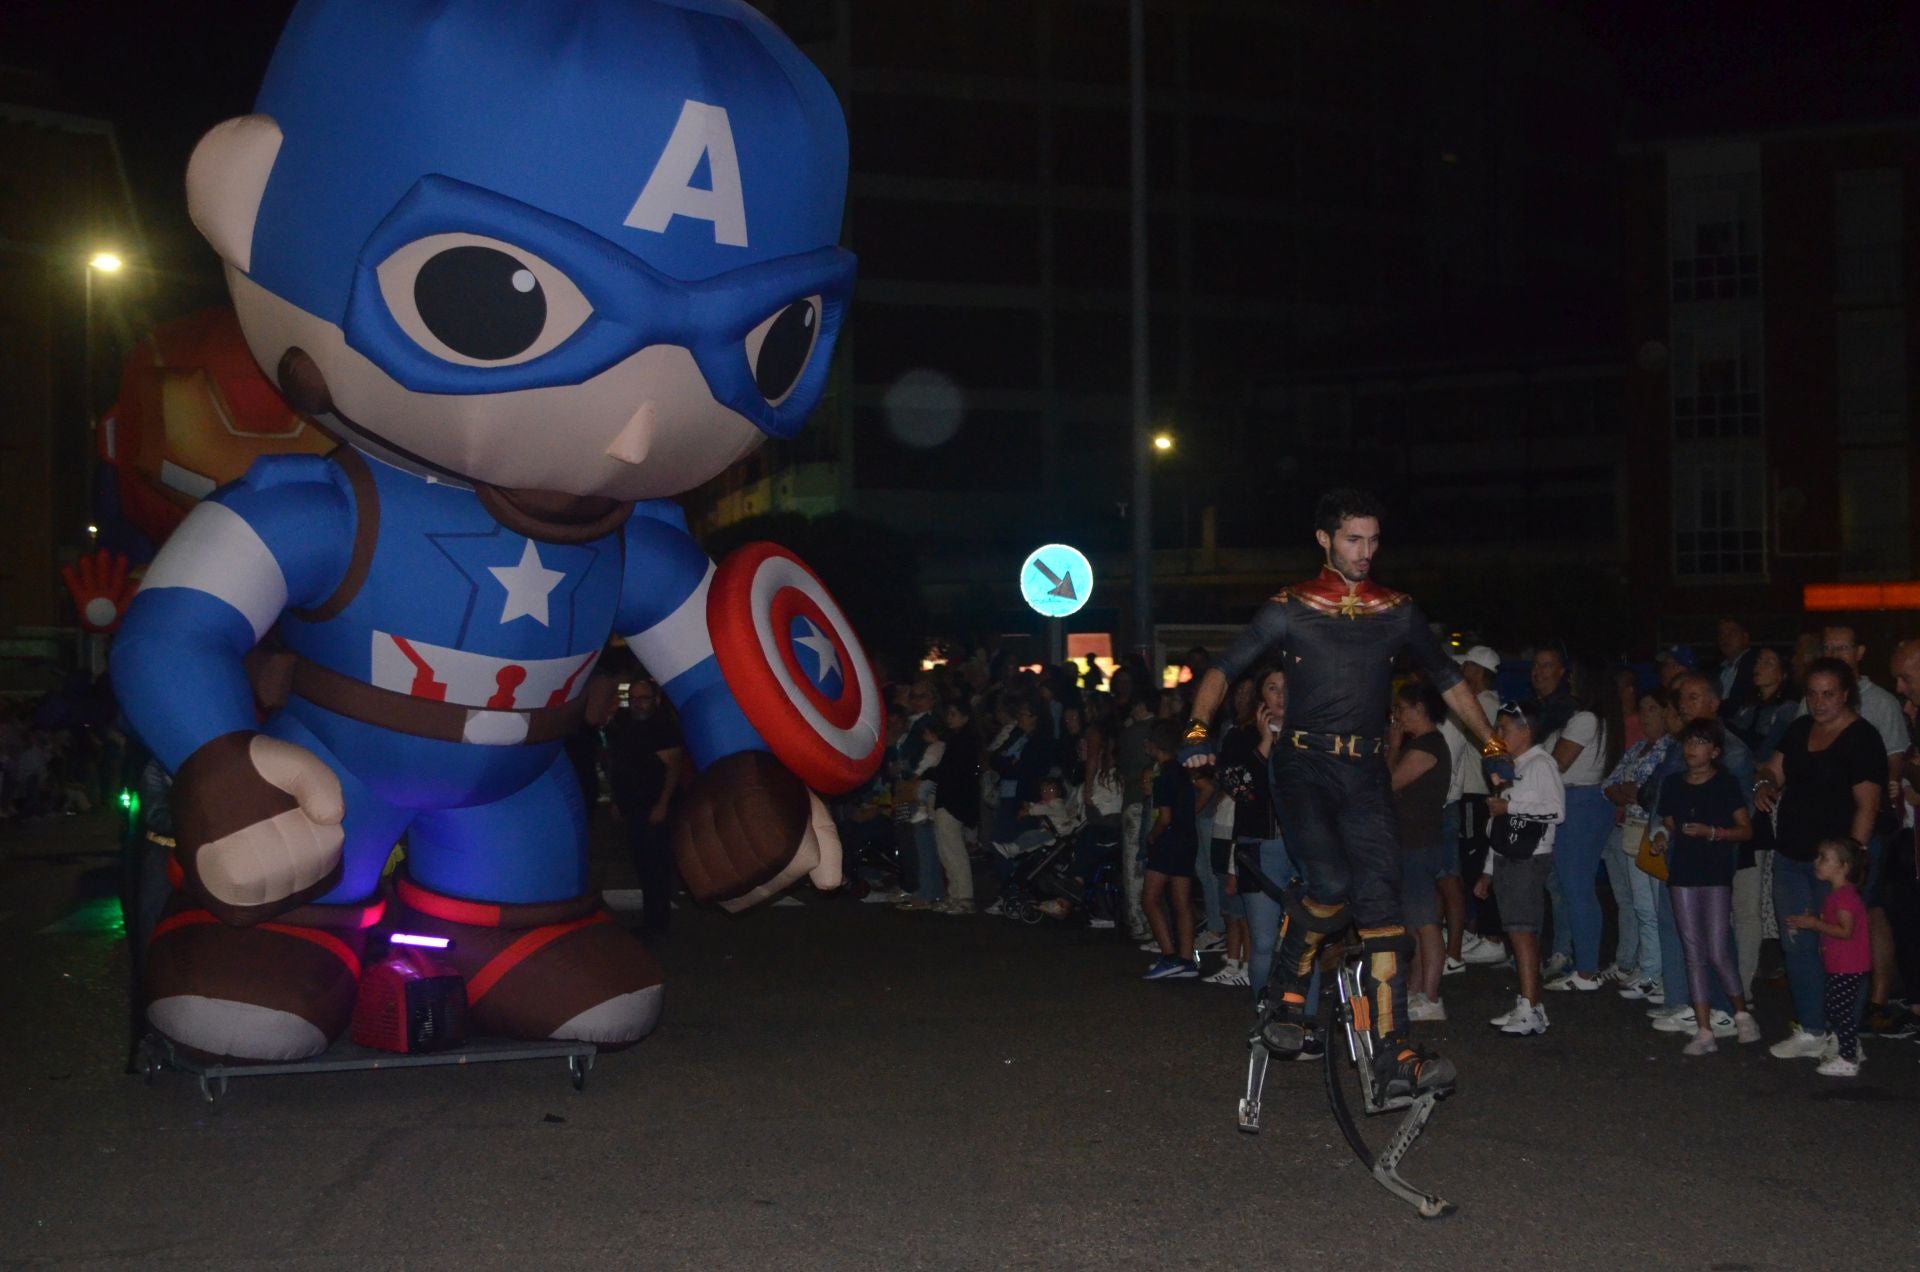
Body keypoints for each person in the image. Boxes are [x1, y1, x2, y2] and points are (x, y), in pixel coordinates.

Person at [1184, 487, 1500, 1099]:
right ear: (1325, 540)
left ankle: (1392, 1055)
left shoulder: (1398, 610)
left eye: (1374, 540)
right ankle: (1286, 1002)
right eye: (1354, 539)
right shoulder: (1289, 607)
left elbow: (1449, 679)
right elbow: (1225, 669)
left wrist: (1493, 747)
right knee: (1328, 882)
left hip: (1364, 773)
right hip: (1302, 765)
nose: (1366, 552)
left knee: (1382, 911)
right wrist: (1197, 728)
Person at [1754, 659, 1884, 1060]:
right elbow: (1773, 769)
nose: (1819, 701)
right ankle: (1811, 1027)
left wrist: (1850, 864)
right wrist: (1764, 783)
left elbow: (1867, 804)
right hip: (1793, 853)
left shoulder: (1862, 738)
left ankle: (1842, 1034)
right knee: (1798, 943)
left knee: (1840, 947)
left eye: (1828, 693)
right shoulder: (1798, 729)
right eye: (1812, 693)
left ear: (1845, 694)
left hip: (1836, 863)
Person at [1802, 626, 1908, 1037]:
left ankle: (1869, 1004)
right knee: (1839, 918)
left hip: (1859, 833)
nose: (1834, 652)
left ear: (1860, 652)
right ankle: (1834, 1009)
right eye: (1827, 647)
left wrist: (1856, 850)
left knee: (1860, 916)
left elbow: (1891, 765)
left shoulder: (1878, 702)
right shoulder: (1810, 700)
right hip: (1821, 836)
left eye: (1842, 647)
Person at [1650, 720, 1761, 1054]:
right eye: (1689, 742)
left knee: (1716, 948)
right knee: (1692, 950)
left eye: (1700, 743)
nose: (1691, 749)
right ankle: (1703, 1030)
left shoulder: (1725, 783)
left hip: (1714, 871)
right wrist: (1659, 838)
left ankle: (1741, 1013)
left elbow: (1746, 830)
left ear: (1714, 752)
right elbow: (1668, 825)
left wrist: (1713, 833)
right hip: (1682, 871)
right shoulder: (1672, 783)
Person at [1477, 701, 1564, 1036]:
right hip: (1507, 855)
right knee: (1516, 931)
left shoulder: (1541, 763)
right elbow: (1499, 824)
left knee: (1522, 932)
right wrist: (1488, 869)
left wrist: (1510, 805)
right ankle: (1530, 1004)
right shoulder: (1511, 765)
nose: (1498, 735)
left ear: (1526, 730)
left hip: (1528, 857)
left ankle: (1530, 1007)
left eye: (1504, 729)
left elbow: (1556, 811)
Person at [1541, 651, 1624, 993]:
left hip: (1579, 803)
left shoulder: (1586, 719)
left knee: (1578, 891)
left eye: (1575, 674)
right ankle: (1581, 962)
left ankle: (1587, 971)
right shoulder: (1596, 719)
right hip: (1585, 802)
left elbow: (1556, 764)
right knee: (1577, 888)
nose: (1570, 680)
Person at [1601, 687, 1672, 1000]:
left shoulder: (1671, 750)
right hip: (1631, 830)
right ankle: (1648, 969)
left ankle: (1659, 973)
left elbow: (1652, 793)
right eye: (1642, 709)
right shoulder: (1638, 748)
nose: (1645, 716)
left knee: (1656, 906)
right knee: (1641, 905)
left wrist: (1634, 792)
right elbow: (1610, 784)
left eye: (1652, 709)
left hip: (1653, 831)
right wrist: (1628, 792)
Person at [1389, 680, 1453, 1022]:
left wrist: (1393, 745)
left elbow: (1389, 783)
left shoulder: (1428, 746)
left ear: (1420, 709)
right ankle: (1417, 991)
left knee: (1426, 921)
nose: (1397, 715)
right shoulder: (1425, 744)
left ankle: (1431, 996)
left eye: (1402, 708)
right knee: (1414, 922)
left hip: (1418, 843)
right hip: (1411, 842)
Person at [603, 678, 684, 942]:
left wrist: (662, 804)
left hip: (652, 806)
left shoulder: (661, 727)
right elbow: (621, 763)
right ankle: (651, 920)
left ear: (655, 699)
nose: (638, 703)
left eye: (644, 698)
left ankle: (656, 924)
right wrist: (618, 800)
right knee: (643, 865)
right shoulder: (628, 724)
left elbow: (673, 766)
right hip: (633, 805)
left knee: (655, 868)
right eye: (634, 698)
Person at [1784, 838, 1872, 1076]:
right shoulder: (1838, 894)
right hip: (1840, 964)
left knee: (1840, 1012)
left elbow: (1846, 931)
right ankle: (1849, 1048)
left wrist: (1815, 924)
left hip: (1848, 965)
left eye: (1824, 858)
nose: (1817, 862)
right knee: (1835, 1008)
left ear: (1843, 866)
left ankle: (1848, 1058)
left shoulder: (1843, 897)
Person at [1447, 645, 1508, 967]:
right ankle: (1481, 931)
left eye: (1467, 667)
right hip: (1477, 793)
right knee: (1476, 864)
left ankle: (1492, 936)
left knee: (1476, 867)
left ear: (1477, 671)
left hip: (1475, 793)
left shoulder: (1481, 704)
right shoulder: (1489, 702)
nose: (1462, 674)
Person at [1142, 719, 1200, 980]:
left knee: (1150, 898)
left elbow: (1164, 817)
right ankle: (1186, 958)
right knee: (1181, 902)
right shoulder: (1183, 771)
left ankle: (1169, 955)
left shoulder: (1163, 775)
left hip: (1168, 841)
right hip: (1187, 839)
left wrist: (1151, 837)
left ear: (1154, 746)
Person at [928, 698, 981, 914]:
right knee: (946, 849)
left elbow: (953, 773)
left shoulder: (964, 741)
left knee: (953, 849)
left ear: (965, 717)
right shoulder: (958, 740)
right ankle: (955, 894)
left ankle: (964, 897)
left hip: (953, 801)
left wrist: (930, 773)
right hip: (949, 800)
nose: (949, 719)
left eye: (954, 714)